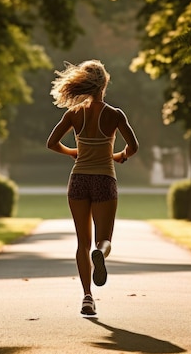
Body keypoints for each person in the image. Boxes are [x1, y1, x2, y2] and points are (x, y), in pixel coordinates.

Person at [46, 60, 139, 316]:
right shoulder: (115, 114)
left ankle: (87, 297)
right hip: (104, 180)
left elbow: (52, 143)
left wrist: (74, 152)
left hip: (78, 180)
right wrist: (120, 155)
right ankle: (101, 252)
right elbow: (134, 147)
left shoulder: (74, 114)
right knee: (104, 239)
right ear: (104, 85)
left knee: (81, 243)